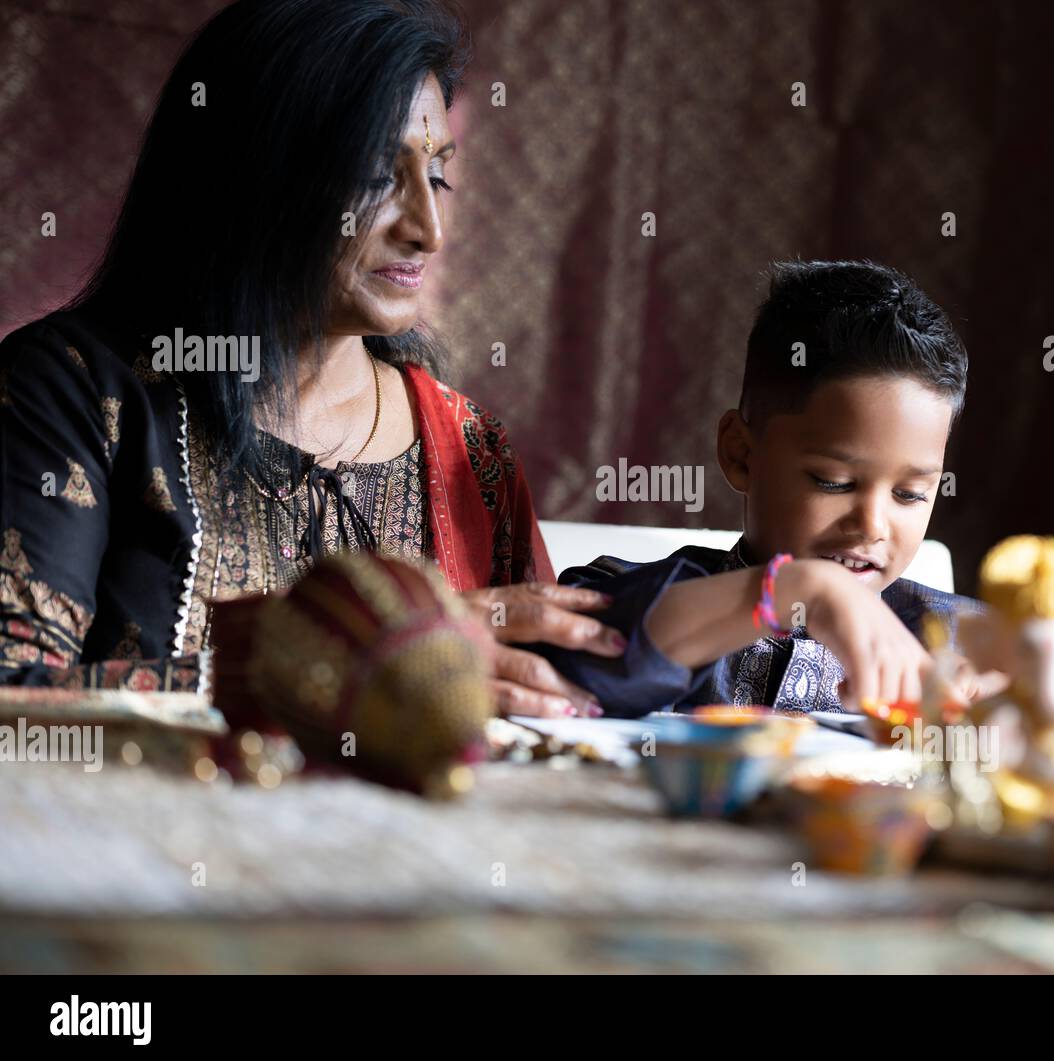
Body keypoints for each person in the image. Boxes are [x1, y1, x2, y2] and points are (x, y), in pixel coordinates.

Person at [0, 0, 619, 717]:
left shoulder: (469, 451)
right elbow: (13, 695)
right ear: (249, 171)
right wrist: (317, 661)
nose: (429, 228)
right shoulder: (71, 393)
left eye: (438, 176)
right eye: (375, 173)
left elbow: (539, 708)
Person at [525, 260, 1054, 730]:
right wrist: (794, 590)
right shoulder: (645, 594)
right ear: (740, 451)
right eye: (834, 481)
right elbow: (575, 661)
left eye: (912, 493)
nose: (872, 523)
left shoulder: (941, 633)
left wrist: (1043, 686)